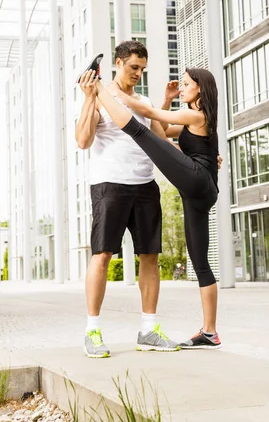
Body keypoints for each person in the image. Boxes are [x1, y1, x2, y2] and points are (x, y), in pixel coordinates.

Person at [84, 54, 222, 350]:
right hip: (199, 189)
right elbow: (165, 132)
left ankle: (153, 331)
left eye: (186, 84)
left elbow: (149, 117)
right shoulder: (193, 120)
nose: (181, 87)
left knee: (138, 131)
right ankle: (210, 332)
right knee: (200, 262)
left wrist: (107, 92)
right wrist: (168, 100)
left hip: (197, 180)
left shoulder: (197, 115)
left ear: (200, 89)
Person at [76, 41, 180, 357]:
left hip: (145, 185)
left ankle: (148, 330)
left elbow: (161, 138)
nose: (138, 74)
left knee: (149, 256)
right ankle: (92, 331)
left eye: (142, 69)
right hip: (110, 185)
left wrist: (165, 103)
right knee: (103, 255)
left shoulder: (144, 100)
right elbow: (83, 140)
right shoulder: (99, 95)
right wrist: (88, 100)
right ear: (119, 63)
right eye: (133, 67)